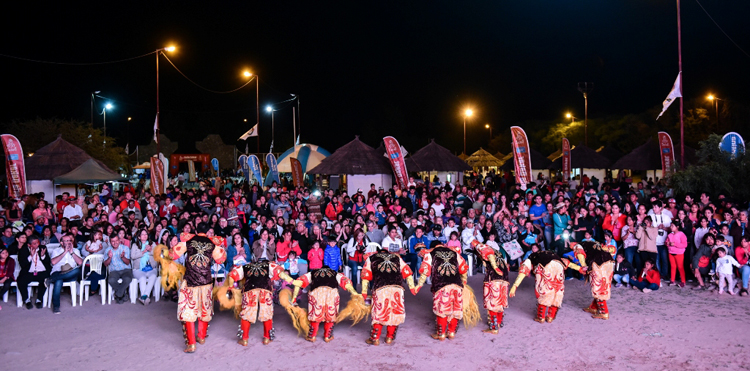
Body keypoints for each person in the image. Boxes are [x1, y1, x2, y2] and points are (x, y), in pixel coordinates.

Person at [168, 224, 227, 353]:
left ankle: (191, 344)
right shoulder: (212, 243)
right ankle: (201, 337)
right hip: (206, 282)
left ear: (196, 230)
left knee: (188, 311)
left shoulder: (188, 241)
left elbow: (172, 254)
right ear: (207, 232)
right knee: (205, 308)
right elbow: (221, 259)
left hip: (190, 280)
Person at [223, 256, 294, 346]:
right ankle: (267, 338)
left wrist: (230, 287)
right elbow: (280, 272)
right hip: (265, 290)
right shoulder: (269, 265)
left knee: (247, 313)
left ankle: (244, 339)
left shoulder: (245, 266)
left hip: (250, 291)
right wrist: (292, 281)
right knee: (267, 312)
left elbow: (232, 275)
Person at [414, 242, 475, 341]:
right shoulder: (454, 252)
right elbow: (463, 268)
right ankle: (451, 333)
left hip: (441, 285)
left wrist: (418, 285)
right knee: (455, 308)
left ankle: (441, 334)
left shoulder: (430, 254)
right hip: (456, 284)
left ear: (433, 247)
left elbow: (425, 271)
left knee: (442, 309)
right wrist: (463, 281)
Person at [360, 244, 417, 345]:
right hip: (397, 288)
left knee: (379, 312)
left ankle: (375, 339)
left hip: (381, 288)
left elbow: (365, 276)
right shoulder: (397, 257)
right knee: (394, 312)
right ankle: (389, 338)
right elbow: (408, 272)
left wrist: (364, 292)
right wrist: (412, 287)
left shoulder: (371, 258)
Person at [509, 249, 583, 323]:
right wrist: (579, 268)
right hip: (559, 265)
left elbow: (523, 271)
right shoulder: (553, 255)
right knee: (557, 291)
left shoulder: (531, 258)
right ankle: (551, 317)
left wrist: (514, 286)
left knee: (544, 290)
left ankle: (541, 317)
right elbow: (567, 263)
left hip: (545, 267)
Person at [291, 265, 360, 343]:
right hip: (331, 292)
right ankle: (327, 336)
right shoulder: (335, 273)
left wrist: (294, 298)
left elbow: (298, 282)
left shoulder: (312, 273)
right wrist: (355, 293)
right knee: (331, 313)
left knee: (315, 313)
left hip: (317, 292)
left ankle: (312, 336)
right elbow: (346, 283)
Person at [571, 241, 614, 320]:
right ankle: (593, 307)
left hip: (598, 264)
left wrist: (583, 266)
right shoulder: (592, 243)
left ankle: (604, 312)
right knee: (604, 285)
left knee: (598, 287)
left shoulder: (578, 245)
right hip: (609, 262)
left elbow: (580, 253)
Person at [473, 241, 509, 333]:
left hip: (493, 277)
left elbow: (490, 256)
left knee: (492, 302)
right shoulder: (498, 251)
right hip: (504, 278)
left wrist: (495, 268)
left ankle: (494, 327)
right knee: (500, 301)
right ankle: (500, 322)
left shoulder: (481, 247)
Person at [48, 234, 84, 313]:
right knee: (58, 281)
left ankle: (50, 279)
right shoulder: (56, 251)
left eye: (70, 240)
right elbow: (53, 262)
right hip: (58, 272)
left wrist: (71, 253)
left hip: (70, 274)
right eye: (66, 241)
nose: (69, 242)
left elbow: (80, 263)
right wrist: (65, 252)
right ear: (61, 243)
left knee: (77, 270)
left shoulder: (76, 250)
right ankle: (56, 306)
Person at [17, 235, 51, 309]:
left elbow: (48, 262)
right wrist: (30, 256)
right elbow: (22, 264)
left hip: (41, 271)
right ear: (29, 245)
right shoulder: (23, 250)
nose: (37, 245)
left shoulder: (43, 248)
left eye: (37, 243)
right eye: (34, 243)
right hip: (29, 272)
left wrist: (42, 256)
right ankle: (26, 300)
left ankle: (39, 299)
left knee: (45, 280)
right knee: (21, 281)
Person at [131, 229, 158, 305]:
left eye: (146, 234)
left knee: (153, 276)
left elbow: (157, 254)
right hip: (138, 269)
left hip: (151, 268)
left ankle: (144, 296)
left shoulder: (152, 244)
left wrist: (150, 250)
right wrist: (142, 252)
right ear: (139, 237)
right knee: (142, 278)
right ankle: (146, 297)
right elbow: (132, 256)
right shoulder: (135, 245)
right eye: (142, 234)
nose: (145, 236)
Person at [104, 234, 133, 303]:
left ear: (119, 240)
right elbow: (105, 264)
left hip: (126, 269)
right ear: (110, 242)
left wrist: (123, 257)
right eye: (113, 241)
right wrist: (109, 257)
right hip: (114, 271)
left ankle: (118, 294)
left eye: (116, 240)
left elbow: (127, 262)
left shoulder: (125, 248)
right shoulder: (107, 250)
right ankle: (123, 294)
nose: (115, 243)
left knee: (128, 279)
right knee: (111, 280)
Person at [665, 222, 688, 287]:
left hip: (679, 253)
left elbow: (684, 244)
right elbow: (666, 242)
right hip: (671, 253)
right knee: (673, 266)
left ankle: (683, 281)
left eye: (672, 226)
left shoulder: (681, 234)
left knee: (680, 267)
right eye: (670, 226)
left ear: (677, 227)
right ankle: (672, 280)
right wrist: (667, 243)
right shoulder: (670, 235)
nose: (671, 227)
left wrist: (675, 244)